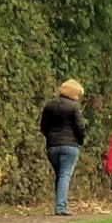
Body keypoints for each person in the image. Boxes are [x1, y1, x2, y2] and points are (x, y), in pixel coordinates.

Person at [39, 79, 86, 215]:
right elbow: (80, 127)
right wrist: (80, 140)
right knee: (65, 175)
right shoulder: (74, 107)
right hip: (70, 145)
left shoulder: (49, 105)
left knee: (59, 175)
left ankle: (60, 203)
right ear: (74, 93)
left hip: (52, 146)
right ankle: (60, 207)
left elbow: (43, 126)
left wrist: (50, 137)